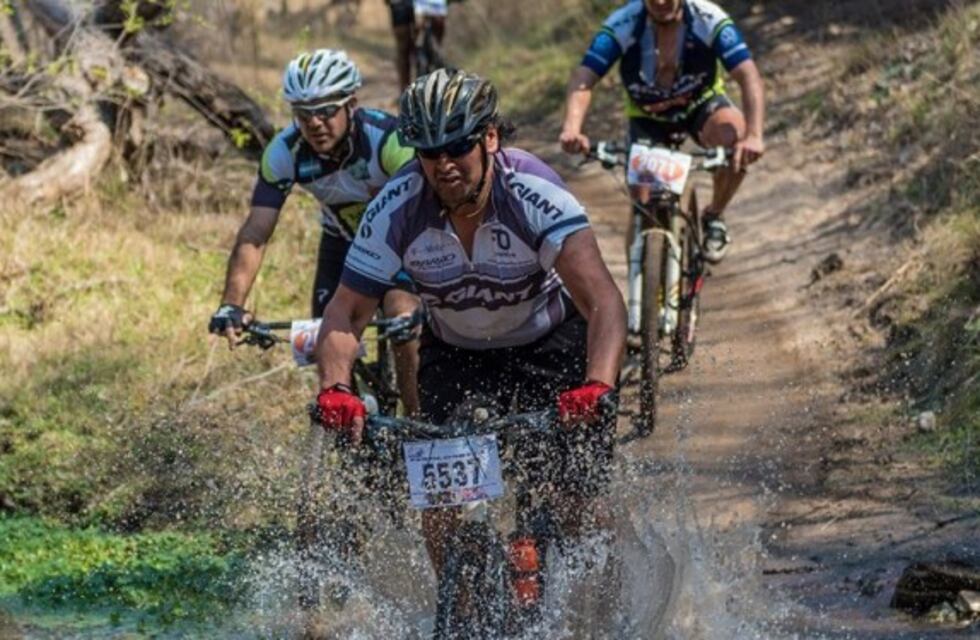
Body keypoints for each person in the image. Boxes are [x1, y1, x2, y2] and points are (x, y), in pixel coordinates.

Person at [313, 69, 627, 579]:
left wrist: (597, 384)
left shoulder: (531, 190)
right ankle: (458, 606)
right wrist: (336, 389)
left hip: (548, 343)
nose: (444, 164)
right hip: (456, 351)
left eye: (457, 146)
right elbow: (347, 310)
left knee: (577, 506)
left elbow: (604, 301)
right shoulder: (397, 205)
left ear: (490, 138)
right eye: (428, 152)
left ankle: (607, 607)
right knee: (438, 507)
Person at [208, 49, 421, 413]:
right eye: (304, 114)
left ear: (351, 104)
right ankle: (348, 432)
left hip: (401, 242)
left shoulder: (387, 140)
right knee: (328, 336)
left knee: (403, 320)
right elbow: (256, 232)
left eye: (326, 110)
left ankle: (421, 429)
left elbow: (426, 213)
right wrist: (232, 303)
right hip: (343, 243)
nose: (315, 123)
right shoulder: (284, 151)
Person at [559, 0, 766, 263]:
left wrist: (754, 136)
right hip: (648, 116)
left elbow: (749, 76)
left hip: (700, 105)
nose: (659, 2)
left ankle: (714, 215)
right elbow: (583, 78)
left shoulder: (707, 18)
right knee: (643, 208)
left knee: (734, 136)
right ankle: (641, 279)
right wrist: (572, 129)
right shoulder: (623, 23)